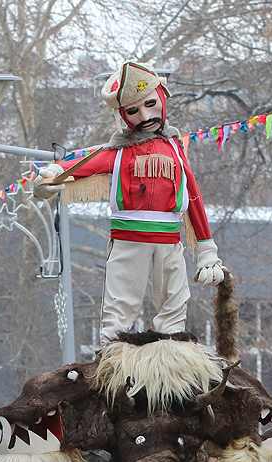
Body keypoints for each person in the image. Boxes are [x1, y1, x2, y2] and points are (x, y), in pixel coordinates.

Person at [34, 60, 224, 345]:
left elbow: (192, 195)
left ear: (162, 96)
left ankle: (172, 365)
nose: (145, 116)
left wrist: (207, 249)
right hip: (128, 240)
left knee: (174, 306)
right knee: (119, 309)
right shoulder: (119, 151)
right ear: (123, 115)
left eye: (150, 104)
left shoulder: (175, 147)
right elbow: (85, 163)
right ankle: (112, 365)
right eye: (133, 111)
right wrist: (52, 174)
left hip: (169, 241)